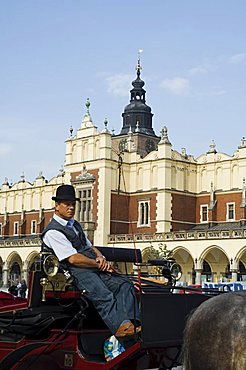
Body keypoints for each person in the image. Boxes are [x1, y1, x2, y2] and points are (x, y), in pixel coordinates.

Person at [41, 184, 141, 338]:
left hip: (90, 267)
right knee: (102, 293)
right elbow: (73, 259)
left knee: (125, 284)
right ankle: (120, 328)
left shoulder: (75, 225)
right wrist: (98, 264)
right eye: (67, 204)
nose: (71, 208)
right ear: (56, 206)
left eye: (73, 204)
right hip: (73, 272)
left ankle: (132, 323)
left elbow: (90, 246)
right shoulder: (53, 231)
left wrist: (101, 258)